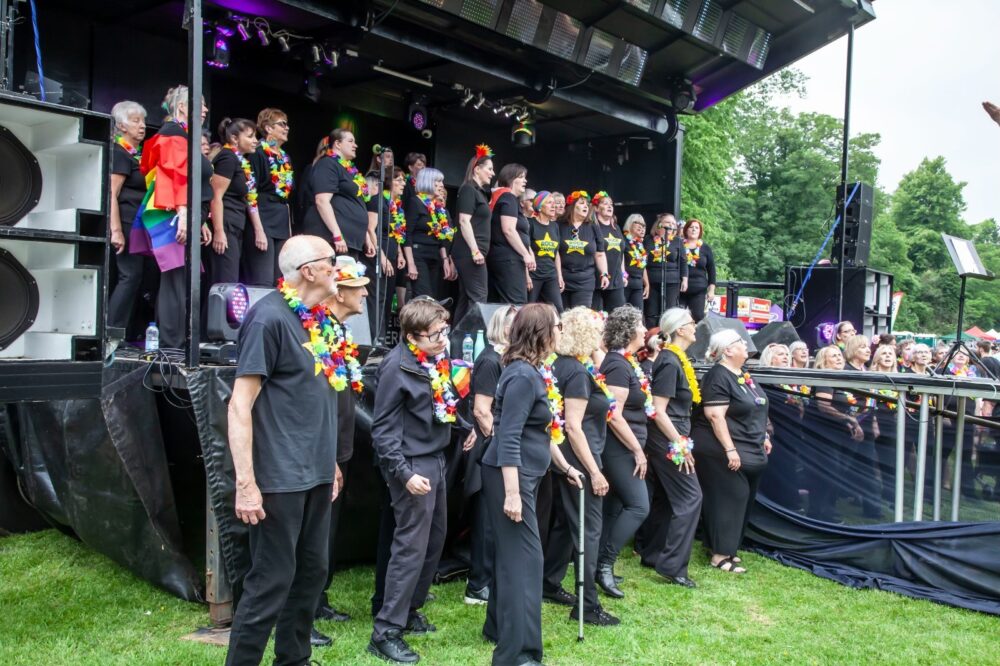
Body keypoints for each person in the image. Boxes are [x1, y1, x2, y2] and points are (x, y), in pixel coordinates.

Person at [224, 235, 340, 666]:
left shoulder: (316, 318)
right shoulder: (267, 319)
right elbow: (240, 406)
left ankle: (294, 660)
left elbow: (306, 401)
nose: (338, 268)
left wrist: (328, 462)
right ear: (308, 270)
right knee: (271, 581)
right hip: (279, 478)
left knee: (311, 574)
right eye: (331, 261)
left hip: (315, 473)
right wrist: (246, 484)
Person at [368, 298, 472, 664]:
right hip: (411, 464)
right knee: (410, 547)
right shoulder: (397, 368)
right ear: (413, 336)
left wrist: (463, 427)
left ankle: (409, 610)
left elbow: (439, 402)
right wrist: (404, 473)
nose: (444, 339)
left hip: (434, 457)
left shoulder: (431, 358)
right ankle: (385, 631)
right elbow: (382, 431)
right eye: (435, 334)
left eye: (445, 331)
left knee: (434, 541)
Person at [481, 303, 583, 666]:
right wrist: (512, 493)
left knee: (517, 561)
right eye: (557, 325)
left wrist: (565, 466)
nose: (561, 331)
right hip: (512, 477)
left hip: (525, 474)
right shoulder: (523, 376)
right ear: (542, 332)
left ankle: (502, 633)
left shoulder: (531, 372)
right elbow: (507, 437)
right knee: (525, 563)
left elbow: (538, 432)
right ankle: (518, 655)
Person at [544, 307, 619, 626]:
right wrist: (595, 471)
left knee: (565, 524)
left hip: (569, 454)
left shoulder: (568, 365)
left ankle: (548, 582)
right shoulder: (574, 371)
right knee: (588, 530)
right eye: (597, 329)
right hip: (580, 458)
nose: (602, 335)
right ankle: (587, 606)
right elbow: (573, 426)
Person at [312, 256, 370, 644]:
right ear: (340, 291)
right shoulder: (319, 331)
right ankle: (300, 611)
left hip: (340, 448)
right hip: (321, 451)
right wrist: (329, 455)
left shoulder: (340, 331)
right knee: (313, 533)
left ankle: (317, 599)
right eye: (359, 286)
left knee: (327, 530)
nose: (365, 293)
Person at [131, 85, 212, 349]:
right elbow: (175, 176)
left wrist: (201, 220)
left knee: (179, 278)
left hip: (183, 212)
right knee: (175, 278)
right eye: (199, 105)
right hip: (174, 213)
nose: (205, 110)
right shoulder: (174, 135)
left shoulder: (183, 136)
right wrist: (185, 214)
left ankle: (175, 340)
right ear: (181, 108)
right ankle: (171, 342)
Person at [691, 330, 770, 573]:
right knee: (730, 498)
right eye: (740, 343)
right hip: (722, 448)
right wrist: (730, 449)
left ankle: (728, 547)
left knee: (743, 499)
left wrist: (764, 435)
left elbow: (756, 407)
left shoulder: (743, 375)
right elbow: (715, 416)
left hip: (751, 445)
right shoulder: (718, 375)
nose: (747, 346)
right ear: (727, 350)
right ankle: (719, 554)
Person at [639, 308, 702, 587]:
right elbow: (658, 410)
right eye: (691, 323)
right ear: (679, 330)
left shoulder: (676, 359)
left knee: (667, 497)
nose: (695, 326)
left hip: (675, 431)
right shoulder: (669, 362)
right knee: (690, 497)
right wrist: (678, 442)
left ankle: (653, 553)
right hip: (668, 436)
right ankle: (672, 565)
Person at [597, 305, 651, 597]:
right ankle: (603, 564)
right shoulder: (617, 365)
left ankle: (599, 563)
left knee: (616, 508)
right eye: (641, 326)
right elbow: (613, 414)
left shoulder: (627, 362)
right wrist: (637, 450)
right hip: (619, 447)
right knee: (639, 505)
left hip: (629, 444)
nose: (645, 331)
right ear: (629, 331)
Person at [465, 305, 517, 607]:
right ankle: (477, 584)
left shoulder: (507, 359)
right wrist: (501, 442)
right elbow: (481, 410)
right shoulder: (489, 360)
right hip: (491, 448)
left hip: (500, 445)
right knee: (485, 519)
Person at [107, 100, 148, 333]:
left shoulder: (135, 154)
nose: (141, 126)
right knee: (129, 276)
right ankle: (112, 332)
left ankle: (125, 331)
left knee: (137, 277)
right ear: (122, 126)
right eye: (135, 121)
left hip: (137, 223)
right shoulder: (120, 152)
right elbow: (112, 193)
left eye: (142, 120)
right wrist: (116, 230)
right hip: (124, 222)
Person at [807, 345, 861, 522]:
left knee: (837, 472)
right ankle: (818, 512)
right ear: (824, 361)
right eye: (833, 356)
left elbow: (850, 407)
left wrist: (854, 422)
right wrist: (847, 419)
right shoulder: (825, 377)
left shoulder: (841, 379)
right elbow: (824, 406)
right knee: (828, 472)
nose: (839, 358)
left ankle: (828, 508)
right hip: (825, 434)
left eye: (839, 355)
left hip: (840, 435)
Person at [301, 128, 372, 260]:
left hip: (351, 241)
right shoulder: (327, 163)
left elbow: (357, 203)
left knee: (349, 280)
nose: (355, 145)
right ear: (338, 144)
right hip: (333, 239)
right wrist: (337, 235)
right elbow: (322, 201)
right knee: (334, 279)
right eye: (350, 141)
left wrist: (366, 237)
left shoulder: (350, 170)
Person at [210, 118, 262, 285]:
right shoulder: (228, 158)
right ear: (234, 139)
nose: (255, 141)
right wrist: (219, 231)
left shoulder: (241, 161)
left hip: (235, 225)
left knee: (229, 280)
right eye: (250, 136)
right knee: (226, 282)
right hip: (225, 225)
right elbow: (215, 196)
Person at [246, 108, 293, 285]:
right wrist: (259, 230)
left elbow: (286, 196)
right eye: (282, 124)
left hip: (280, 218)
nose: (287, 128)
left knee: (280, 279)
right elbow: (251, 193)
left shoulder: (285, 157)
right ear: (268, 128)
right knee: (263, 278)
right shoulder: (257, 152)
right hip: (263, 217)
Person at [453, 145, 494, 325]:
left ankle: (457, 342)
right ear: (477, 169)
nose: (492, 173)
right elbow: (463, 221)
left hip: (472, 252)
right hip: (470, 253)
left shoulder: (479, 192)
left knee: (466, 299)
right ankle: (474, 341)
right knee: (478, 297)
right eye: (490, 169)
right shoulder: (469, 189)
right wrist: (475, 250)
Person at [367, 168, 409, 339]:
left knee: (387, 298)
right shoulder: (378, 200)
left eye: (403, 180)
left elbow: (396, 233)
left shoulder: (396, 206)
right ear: (389, 183)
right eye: (398, 180)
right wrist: (382, 257)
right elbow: (370, 229)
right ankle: (375, 337)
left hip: (392, 254)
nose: (403, 184)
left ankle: (383, 337)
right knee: (379, 297)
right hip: (380, 255)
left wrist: (399, 253)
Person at [403, 167, 456, 300]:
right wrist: (411, 264)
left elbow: (441, 237)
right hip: (418, 255)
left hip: (434, 257)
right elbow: (407, 235)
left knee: (433, 297)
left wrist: (445, 260)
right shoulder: (415, 202)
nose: (442, 185)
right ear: (427, 182)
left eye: (441, 182)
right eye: (437, 182)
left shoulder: (436, 208)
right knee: (424, 296)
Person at [488, 163, 534, 305]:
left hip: (505, 258)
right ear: (511, 178)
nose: (525, 181)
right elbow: (508, 230)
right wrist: (525, 254)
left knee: (503, 305)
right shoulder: (508, 197)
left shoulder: (504, 197)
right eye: (522, 177)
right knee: (516, 303)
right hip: (508, 259)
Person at [559, 191, 610, 309]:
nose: (586, 206)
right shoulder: (560, 225)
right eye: (582, 203)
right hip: (562, 279)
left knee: (580, 317)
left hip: (585, 280)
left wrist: (604, 274)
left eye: (587, 204)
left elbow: (600, 254)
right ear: (572, 206)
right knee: (562, 316)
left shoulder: (593, 227)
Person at [644, 214, 687, 329]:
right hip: (652, 281)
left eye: (673, 223)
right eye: (668, 222)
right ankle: (651, 337)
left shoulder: (677, 241)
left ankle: (667, 337)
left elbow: (683, 261)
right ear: (660, 224)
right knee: (651, 312)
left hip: (672, 281)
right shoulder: (649, 239)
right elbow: (643, 259)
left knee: (669, 312)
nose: (671, 225)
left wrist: (685, 279)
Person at [527, 191, 564, 312]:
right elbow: (525, 250)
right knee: (529, 309)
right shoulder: (530, 223)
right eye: (549, 203)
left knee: (558, 309)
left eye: (554, 203)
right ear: (539, 206)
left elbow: (556, 253)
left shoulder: (555, 226)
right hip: (534, 275)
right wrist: (526, 276)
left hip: (550, 275)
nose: (554, 206)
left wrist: (559, 276)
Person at [591, 192, 626, 313]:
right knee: (596, 315)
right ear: (596, 208)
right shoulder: (592, 226)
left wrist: (623, 274)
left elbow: (621, 254)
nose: (610, 206)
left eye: (611, 204)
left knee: (618, 316)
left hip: (616, 280)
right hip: (596, 279)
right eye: (605, 203)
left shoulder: (616, 228)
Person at [678, 219, 716, 322]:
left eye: (697, 228)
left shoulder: (705, 248)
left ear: (700, 231)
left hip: (698, 289)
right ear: (686, 230)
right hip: (680, 289)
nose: (694, 229)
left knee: (698, 317)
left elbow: (711, 270)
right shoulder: (679, 245)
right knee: (678, 318)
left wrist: (711, 290)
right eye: (691, 227)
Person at [622, 214, 649, 310]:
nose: (642, 227)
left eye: (644, 225)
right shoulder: (623, 241)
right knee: (622, 314)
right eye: (639, 223)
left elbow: (643, 266)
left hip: (638, 284)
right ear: (630, 224)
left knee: (638, 314)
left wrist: (647, 284)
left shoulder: (640, 245)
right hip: (625, 283)